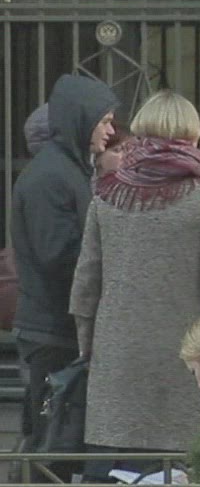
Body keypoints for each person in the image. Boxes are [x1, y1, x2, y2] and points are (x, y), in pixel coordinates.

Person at [70, 90, 200, 456]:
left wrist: (90, 346)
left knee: (119, 469)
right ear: (191, 135)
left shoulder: (106, 195)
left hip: (118, 355)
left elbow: (86, 283)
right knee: (181, 468)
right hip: (189, 354)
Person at [9, 76, 117, 444]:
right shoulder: (52, 176)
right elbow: (58, 256)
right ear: (81, 119)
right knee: (51, 436)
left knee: (56, 433)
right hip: (52, 329)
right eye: (104, 121)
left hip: (59, 326)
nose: (110, 131)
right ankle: (34, 486)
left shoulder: (68, 169)